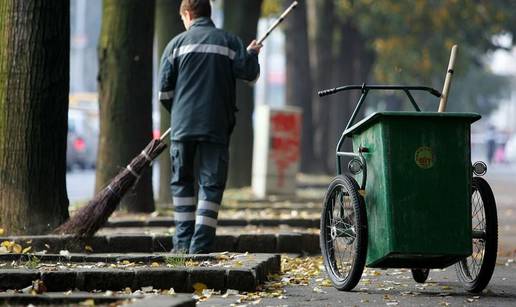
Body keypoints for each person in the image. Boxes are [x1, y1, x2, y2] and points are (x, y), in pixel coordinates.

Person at [158, 0, 262, 254]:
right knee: (211, 185)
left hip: (182, 127)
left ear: (188, 14)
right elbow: (249, 74)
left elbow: (164, 93)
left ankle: (181, 245)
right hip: (216, 126)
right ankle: (201, 246)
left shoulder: (175, 45)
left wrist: (181, 115)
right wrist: (252, 55)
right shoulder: (228, 42)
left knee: (182, 183)